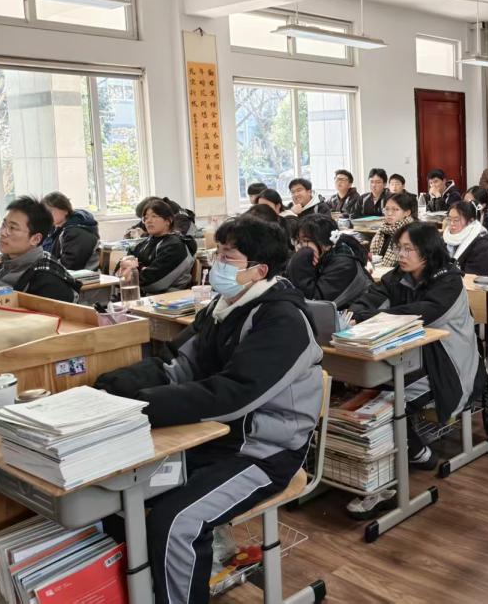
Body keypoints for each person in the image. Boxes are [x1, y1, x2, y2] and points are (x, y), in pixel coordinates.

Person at [94, 215, 322, 604]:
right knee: (117, 495)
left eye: (227, 257)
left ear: (259, 270)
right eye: (217, 253)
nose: (216, 264)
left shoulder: (282, 320)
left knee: (176, 523)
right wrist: (109, 388)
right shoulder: (223, 306)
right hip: (215, 440)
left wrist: (141, 406)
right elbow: (176, 362)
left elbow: (232, 395)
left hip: (265, 451)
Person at [349, 222, 483, 469]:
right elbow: (370, 299)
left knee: (387, 403)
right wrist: (354, 314)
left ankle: (417, 453)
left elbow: (420, 313)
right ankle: (394, 454)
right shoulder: (398, 277)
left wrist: (370, 317)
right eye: (399, 248)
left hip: (447, 366)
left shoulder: (449, 281)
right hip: (411, 358)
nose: (401, 254)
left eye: (408, 249)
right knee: (362, 390)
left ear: (427, 251)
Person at [0, 197, 80, 302]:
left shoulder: (48, 281)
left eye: (12, 228)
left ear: (35, 239)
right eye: (3, 225)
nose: (3, 232)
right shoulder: (7, 264)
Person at [287, 214, 371, 306]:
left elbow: (314, 303)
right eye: (299, 241)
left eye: (306, 241)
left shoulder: (343, 264)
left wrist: (299, 261)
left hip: (358, 313)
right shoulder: (321, 257)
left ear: (326, 244)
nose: (300, 246)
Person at [118, 199, 198, 294]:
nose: (149, 221)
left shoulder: (175, 245)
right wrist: (140, 269)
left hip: (168, 297)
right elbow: (120, 269)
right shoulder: (145, 242)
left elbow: (153, 283)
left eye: (154, 216)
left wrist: (135, 268)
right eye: (146, 218)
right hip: (142, 295)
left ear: (168, 220)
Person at [41, 191, 100, 271]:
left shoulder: (76, 232)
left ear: (65, 210)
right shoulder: (55, 229)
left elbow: (70, 265)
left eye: (51, 211)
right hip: (62, 273)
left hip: (80, 276)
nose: (47, 215)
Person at [443, 201, 488, 276]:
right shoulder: (444, 241)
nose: (451, 224)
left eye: (456, 220)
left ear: (470, 222)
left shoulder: (483, 248)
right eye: (449, 219)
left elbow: (471, 279)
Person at [370, 192, 417, 269]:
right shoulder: (383, 229)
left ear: (407, 213)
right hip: (378, 271)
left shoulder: (411, 233)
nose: (389, 213)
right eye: (387, 209)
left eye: (395, 209)